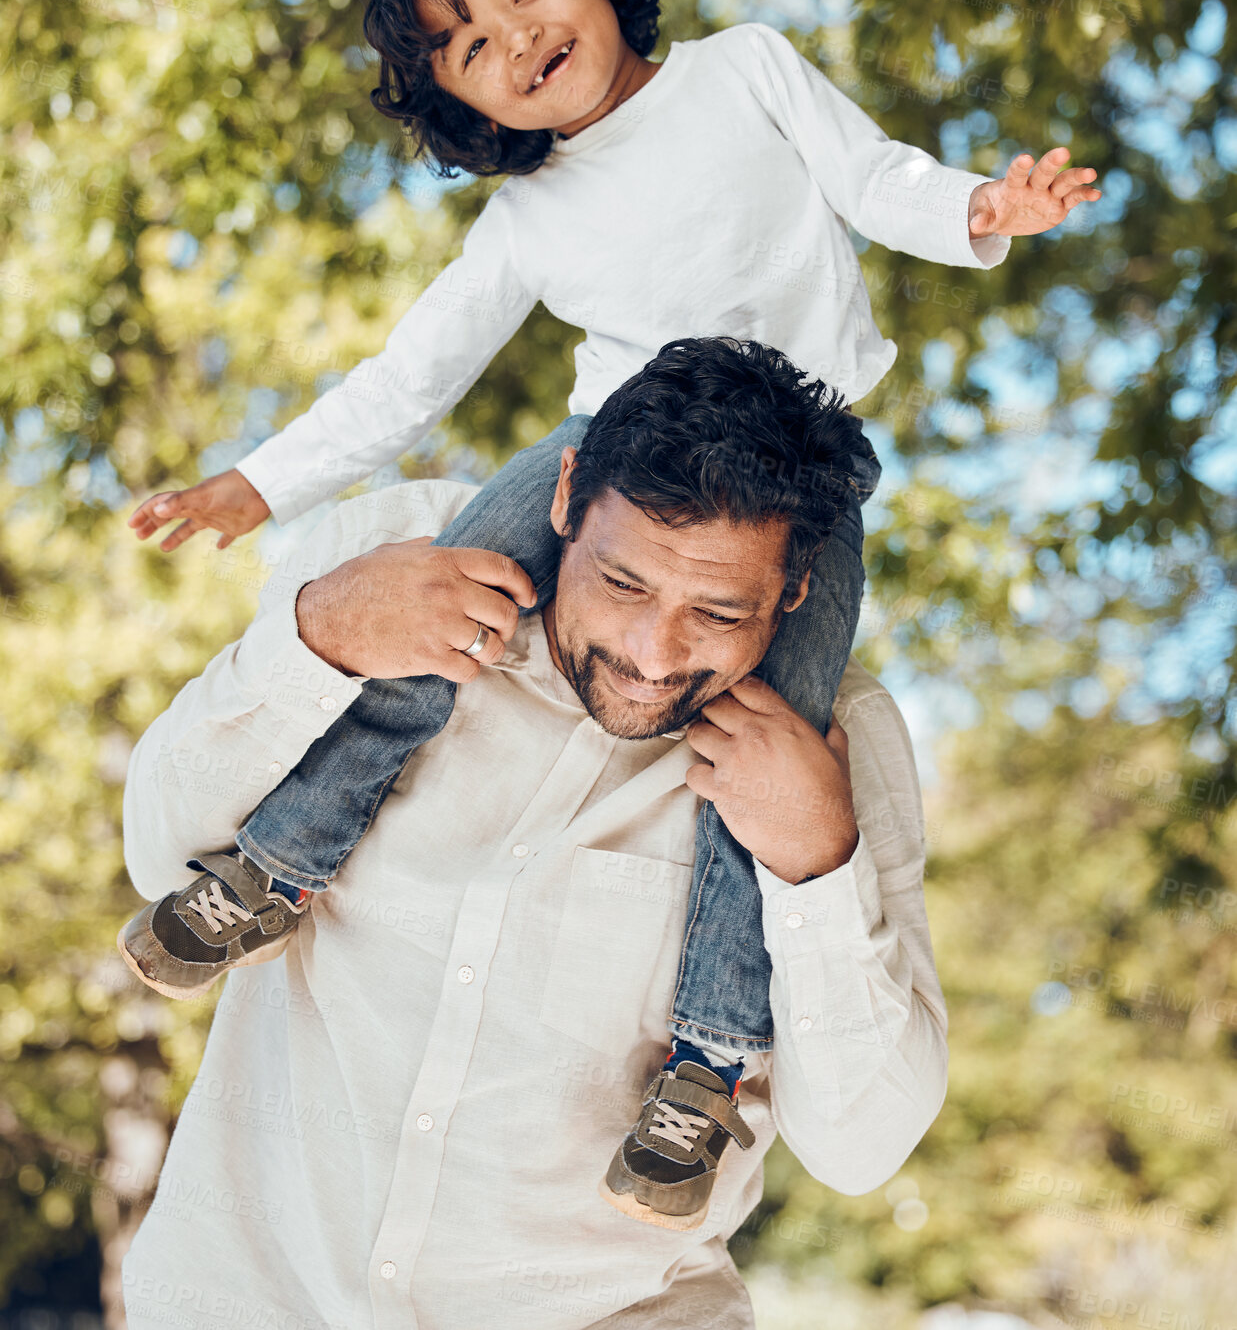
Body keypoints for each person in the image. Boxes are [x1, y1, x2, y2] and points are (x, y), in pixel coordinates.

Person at [120, 0, 1100, 1220]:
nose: (514, 36)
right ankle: (279, 862)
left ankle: (705, 1058)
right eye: (467, 44)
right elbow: (412, 378)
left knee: (772, 744)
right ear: (469, 111)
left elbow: (878, 181)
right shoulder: (529, 219)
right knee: (446, 600)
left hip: (795, 476)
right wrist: (259, 479)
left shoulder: (744, 70)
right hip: (608, 442)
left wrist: (986, 210)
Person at [120, 338, 948, 1328]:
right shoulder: (396, 560)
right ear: (565, 500)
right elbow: (157, 853)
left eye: (718, 611)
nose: (654, 654)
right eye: (625, 584)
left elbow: (860, 1148)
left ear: (797, 586)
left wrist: (817, 866)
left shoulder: (838, 750)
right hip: (248, 1296)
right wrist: (314, 639)